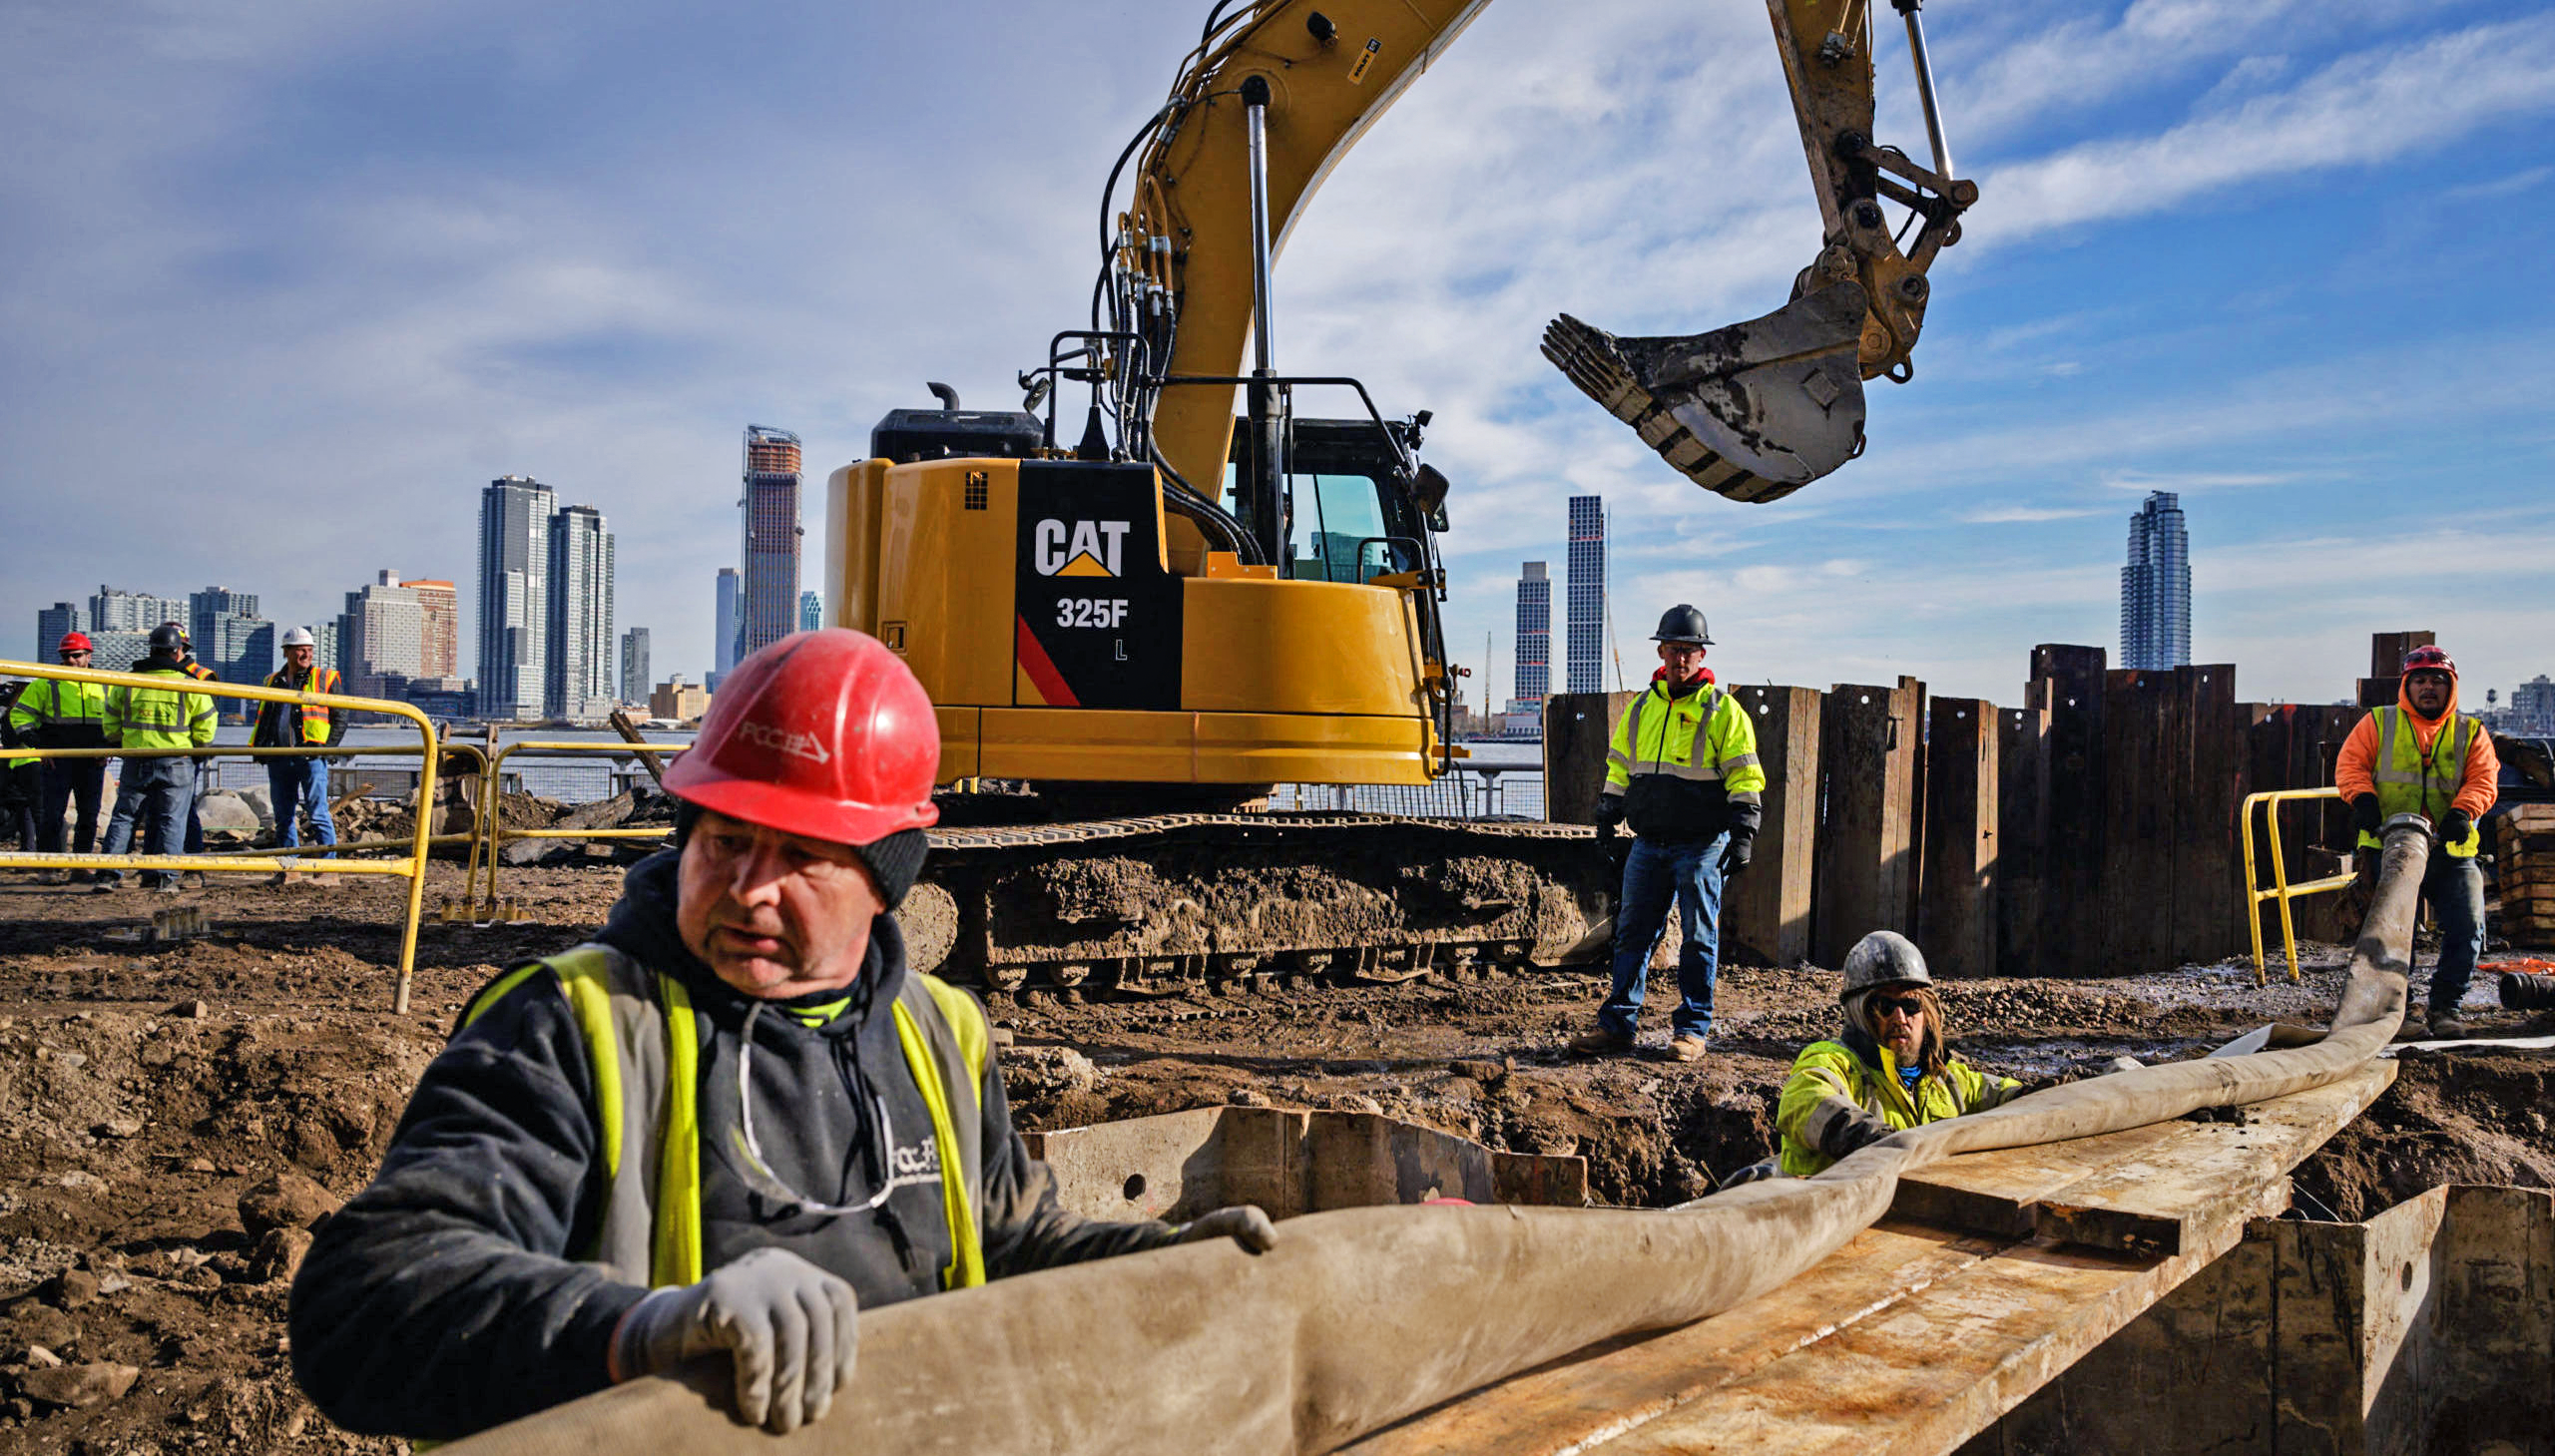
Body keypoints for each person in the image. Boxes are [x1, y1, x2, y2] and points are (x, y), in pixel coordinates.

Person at [289, 630, 1278, 1442]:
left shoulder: (941, 1033)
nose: (748, 886)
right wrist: (643, 1328)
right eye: (722, 839)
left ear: (884, 878)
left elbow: (1008, 1239)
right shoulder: (572, 1026)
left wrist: (1160, 1264)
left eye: (802, 855)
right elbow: (369, 1299)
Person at [1568, 605, 1766, 1062]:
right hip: (1648, 843)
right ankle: (1617, 1026)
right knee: (1631, 934)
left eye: (1689, 651)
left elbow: (1745, 777)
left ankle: (1693, 1030)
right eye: (1674, 650)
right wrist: (1606, 812)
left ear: (1701, 655)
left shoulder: (1723, 711)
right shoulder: (1641, 708)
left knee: (1698, 937)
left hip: (1701, 845)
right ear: (1661, 651)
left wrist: (1743, 834)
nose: (1680, 659)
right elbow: (1620, 765)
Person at [2336, 644, 2498, 1038]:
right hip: (2389, 848)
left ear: (2451, 687)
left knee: (2468, 927)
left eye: (2437, 681)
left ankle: (2445, 1010)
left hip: (2451, 850)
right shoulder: (2378, 722)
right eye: (2421, 680)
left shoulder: (2470, 731)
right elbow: (2351, 764)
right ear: (2406, 685)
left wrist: (2463, 812)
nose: (2429, 688)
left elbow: (2483, 779)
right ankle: (2397, 1013)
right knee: (2392, 932)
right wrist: (2363, 798)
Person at [1771, 931, 2022, 1177]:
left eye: (1911, 1005)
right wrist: (1871, 1139)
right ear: (1860, 1013)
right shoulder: (1834, 1061)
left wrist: (2032, 1093)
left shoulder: (1946, 1079)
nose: (1900, 1018)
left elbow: (2001, 1094)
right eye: (1885, 1006)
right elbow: (1803, 1102)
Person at [93, 625, 217, 894]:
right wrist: (195, 747)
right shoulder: (189, 685)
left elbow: (110, 723)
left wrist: (123, 741)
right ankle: (165, 878)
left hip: (136, 759)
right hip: (177, 761)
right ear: (177, 653)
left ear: (151, 649)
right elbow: (206, 727)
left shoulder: (129, 683)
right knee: (173, 819)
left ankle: (108, 875)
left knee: (124, 816)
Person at [7, 632, 113, 882]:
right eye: (66, 656)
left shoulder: (106, 683)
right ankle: (48, 868)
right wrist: (40, 747)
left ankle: (81, 867)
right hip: (58, 760)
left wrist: (108, 748)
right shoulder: (46, 683)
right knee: (51, 814)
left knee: (89, 814)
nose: (71, 661)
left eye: (76, 655)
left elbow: (117, 719)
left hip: (92, 760)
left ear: (89, 655)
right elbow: (19, 716)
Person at [254, 627, 344, 862]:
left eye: (310, 650)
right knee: (283, 816)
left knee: (318, 813)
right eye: (300, 650)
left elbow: (341, 717)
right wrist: (261, 748)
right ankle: (289, 866)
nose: (306, 655)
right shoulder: (272, 681)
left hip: (311, 757)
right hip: (279, 757)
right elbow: (265, 717)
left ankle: (327, 866)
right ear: (286, 652)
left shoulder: (325, 678)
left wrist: (326, 749)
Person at [169, 624, 223, 879]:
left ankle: (192, 866)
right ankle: (154, 867)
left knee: (186, 808)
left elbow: (207, 719)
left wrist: (198, 750)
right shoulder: (153, 672)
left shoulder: (201, 675)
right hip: (157, 751)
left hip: (185, 754)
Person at [0, 683, 39, 854]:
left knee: (32, 811)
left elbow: (10, 738)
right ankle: (32, 852)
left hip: (27, 762)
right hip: (28, 762)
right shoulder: (38, 704)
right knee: (28, 811)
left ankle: (34, 852)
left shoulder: (18, 709)